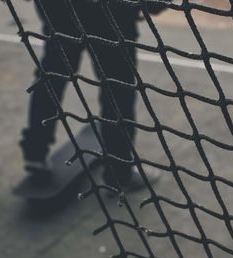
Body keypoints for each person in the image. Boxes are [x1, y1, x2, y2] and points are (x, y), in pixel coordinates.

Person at [20, 0, 166, 190]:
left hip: (60, 10)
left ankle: (35, 153)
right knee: (117, 90)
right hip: (110, 15)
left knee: (51, 79)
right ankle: (119, 174)